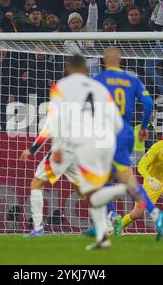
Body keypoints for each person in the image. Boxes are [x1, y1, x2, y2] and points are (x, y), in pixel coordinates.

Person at [45, 55, 123, 249]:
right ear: (86, 69)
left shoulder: (61, 86)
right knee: (90, 187)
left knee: (90, 190)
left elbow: (56, 118)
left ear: (69, 69)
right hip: (106, 141)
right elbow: (118, 122)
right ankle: (102, 236)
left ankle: (124, 189)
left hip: (85, 142)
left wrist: (56, 148)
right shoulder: (99, 87)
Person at [93, 46, 163, 240]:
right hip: (126, 131)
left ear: (103, 60)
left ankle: (146, 214)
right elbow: (149, 104)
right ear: (120, 60)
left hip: (108, 130)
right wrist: (143, 126)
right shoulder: (132, 79)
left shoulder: (98, 80)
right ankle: (116, 218)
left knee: (120, 178)